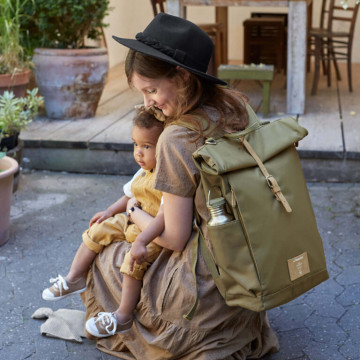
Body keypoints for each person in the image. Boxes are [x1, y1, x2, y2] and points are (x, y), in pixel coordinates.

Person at [80, 13, 279, 359]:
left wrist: (133, 212)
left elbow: (174, 237)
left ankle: (141, 321)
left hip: (201, 285)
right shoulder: (237, 107)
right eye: (142, 93)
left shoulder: (176, 136)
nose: (147, 104)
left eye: (152, 90)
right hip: (245, 268)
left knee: (106, 254)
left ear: (183, 77)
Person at [42, 109, 166, 336]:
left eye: (147, 146)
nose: (139, 153)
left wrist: (142, 240)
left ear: (165, 148)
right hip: (131, 218)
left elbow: (164, 219)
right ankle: (74, 278)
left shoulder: (167, 176)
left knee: (132, 262)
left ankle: (123, 315)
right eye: (135, 145)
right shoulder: (142, 171)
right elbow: (128, 196)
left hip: (152, 231)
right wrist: (109, 211)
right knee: (98, 229)